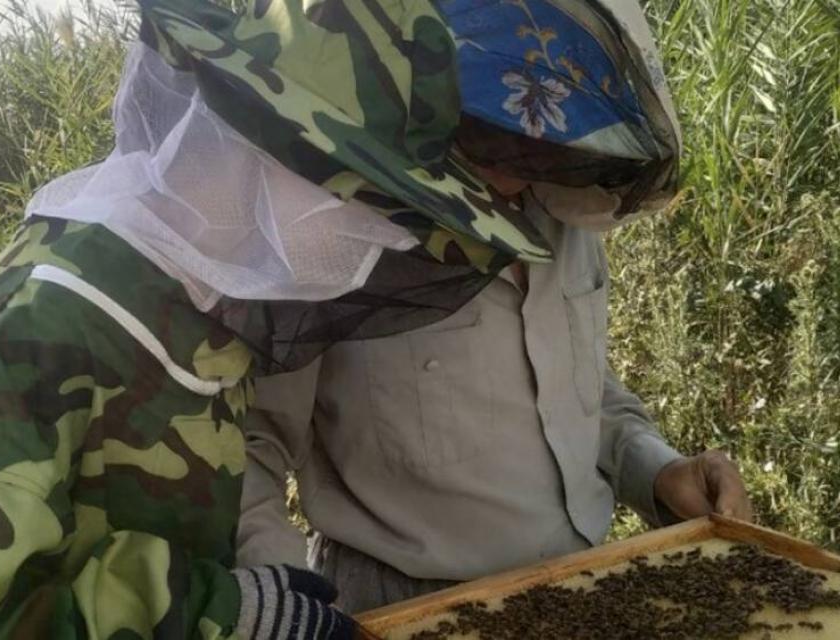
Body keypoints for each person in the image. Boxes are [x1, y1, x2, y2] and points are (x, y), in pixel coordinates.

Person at [0, 0, 656, 637]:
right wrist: (227, 614)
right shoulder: (36, 322)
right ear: (268, 142)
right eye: (367, 190)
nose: (383, 229)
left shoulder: (200, 305)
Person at [236, 0, 754, 614]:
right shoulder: (331, 242)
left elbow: (586, 401)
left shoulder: (565, 219)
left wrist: (661, 471)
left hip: (581, 589)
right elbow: (248, 452)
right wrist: (291, 607)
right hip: (402, 604)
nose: (515, 166)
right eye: (486, 133)